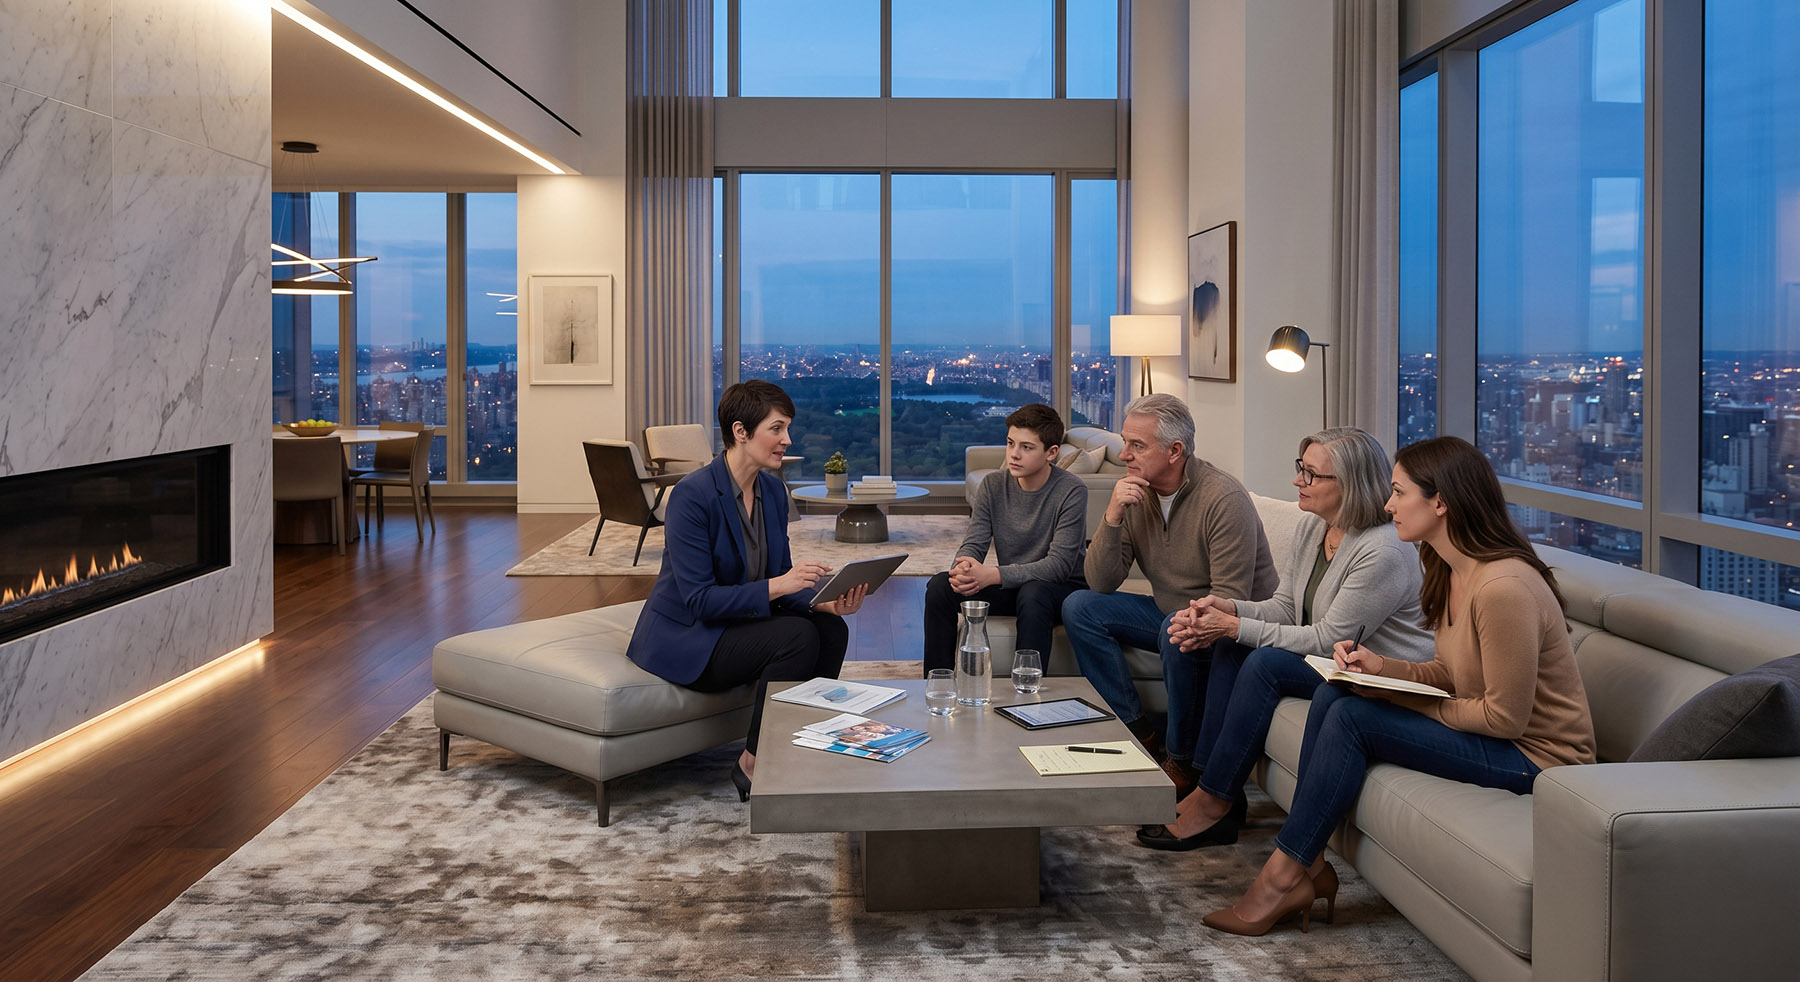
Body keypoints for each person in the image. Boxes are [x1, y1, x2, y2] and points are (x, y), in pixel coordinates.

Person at [1171, 436, 1596, 937]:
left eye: (1399, 492)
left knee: (1352, 717)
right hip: (1497, 735)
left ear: (1441, 502)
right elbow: (1449, 673)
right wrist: (1382, 670)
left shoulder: (1504, 587)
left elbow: (1505, 719)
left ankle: (1285, 874)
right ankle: (1305, 866)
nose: (1388, 504)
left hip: (1536, 759)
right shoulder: (1447, 568)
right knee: (1337, 691)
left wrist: (1403, 699)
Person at [1139, 427, 1435, 844]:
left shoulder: (1382, 550)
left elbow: (1327, 638)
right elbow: (1284, 607)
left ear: (1349, 485)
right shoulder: (1314, 528)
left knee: (1263, 662)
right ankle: (1213, 787)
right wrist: (1229, 610)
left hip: (1372, 672)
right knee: (1229, 644)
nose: (1298, 480)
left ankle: (1213, 801)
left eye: (1312, 474)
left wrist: (1236, 626)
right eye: (1301, 469)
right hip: (1330, 658)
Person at [626, 380, 867, 802]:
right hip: (691, 637)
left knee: (831, 629)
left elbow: (777, 578)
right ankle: (753, 763)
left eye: (787, 429)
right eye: (776, 429)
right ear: (741, 432)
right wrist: (781, 585)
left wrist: (820, 601)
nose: (786, 440)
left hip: (739, 622)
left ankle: (796, 744)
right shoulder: (692, 496)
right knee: (797, 636)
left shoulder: (773, 491)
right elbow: (700, 599)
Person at [1060, 393, 1278, 756]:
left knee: (1173, 627)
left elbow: (1230, 601)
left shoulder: (1223, 498)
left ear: (1175, 451)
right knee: (1080, 605)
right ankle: (1135, 730)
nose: (1124, 454)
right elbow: (1100, 582)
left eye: (1137, 446)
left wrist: (1183, 619)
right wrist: (1112, 515)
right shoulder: (1136, 492)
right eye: (1124, 442)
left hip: (1229, 627)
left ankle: (1182, 760)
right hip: (1169, 613)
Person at [923, 404, 1088, 675]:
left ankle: (1025, 692)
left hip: (1060, 590)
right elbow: (974, 542)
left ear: (1051, 453)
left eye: (1026, 447)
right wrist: (963, 568)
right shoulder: (993, 484)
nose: (1014, 454)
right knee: (941, 586)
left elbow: (1058, 566)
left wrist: (992, 575)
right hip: (1015, 586)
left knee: (1034, 591)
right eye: (1011, 443)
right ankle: (938, 682)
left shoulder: (1072, 490)